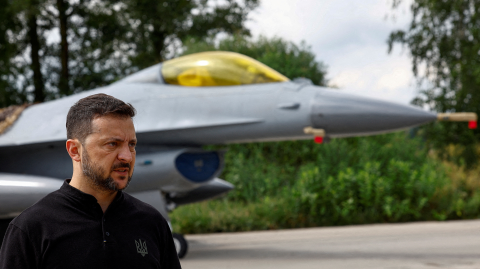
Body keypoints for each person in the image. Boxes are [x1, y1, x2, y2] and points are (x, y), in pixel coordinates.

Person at [0, 94, 182, 269]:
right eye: (112, 144)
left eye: (132, 145)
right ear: (74, 150)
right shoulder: (31, 229)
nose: (127, 156)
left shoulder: (152, 222)